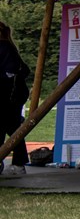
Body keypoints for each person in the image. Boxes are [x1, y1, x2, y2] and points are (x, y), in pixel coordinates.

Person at [1, 21, 32, 177]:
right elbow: (23, 70)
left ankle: (18, 164)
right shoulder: (9, 48)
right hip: (11, 97)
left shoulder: (5, 49)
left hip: (7, 98)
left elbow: (12, 72)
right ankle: (18, 163)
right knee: (13, 129)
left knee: (11, 129)